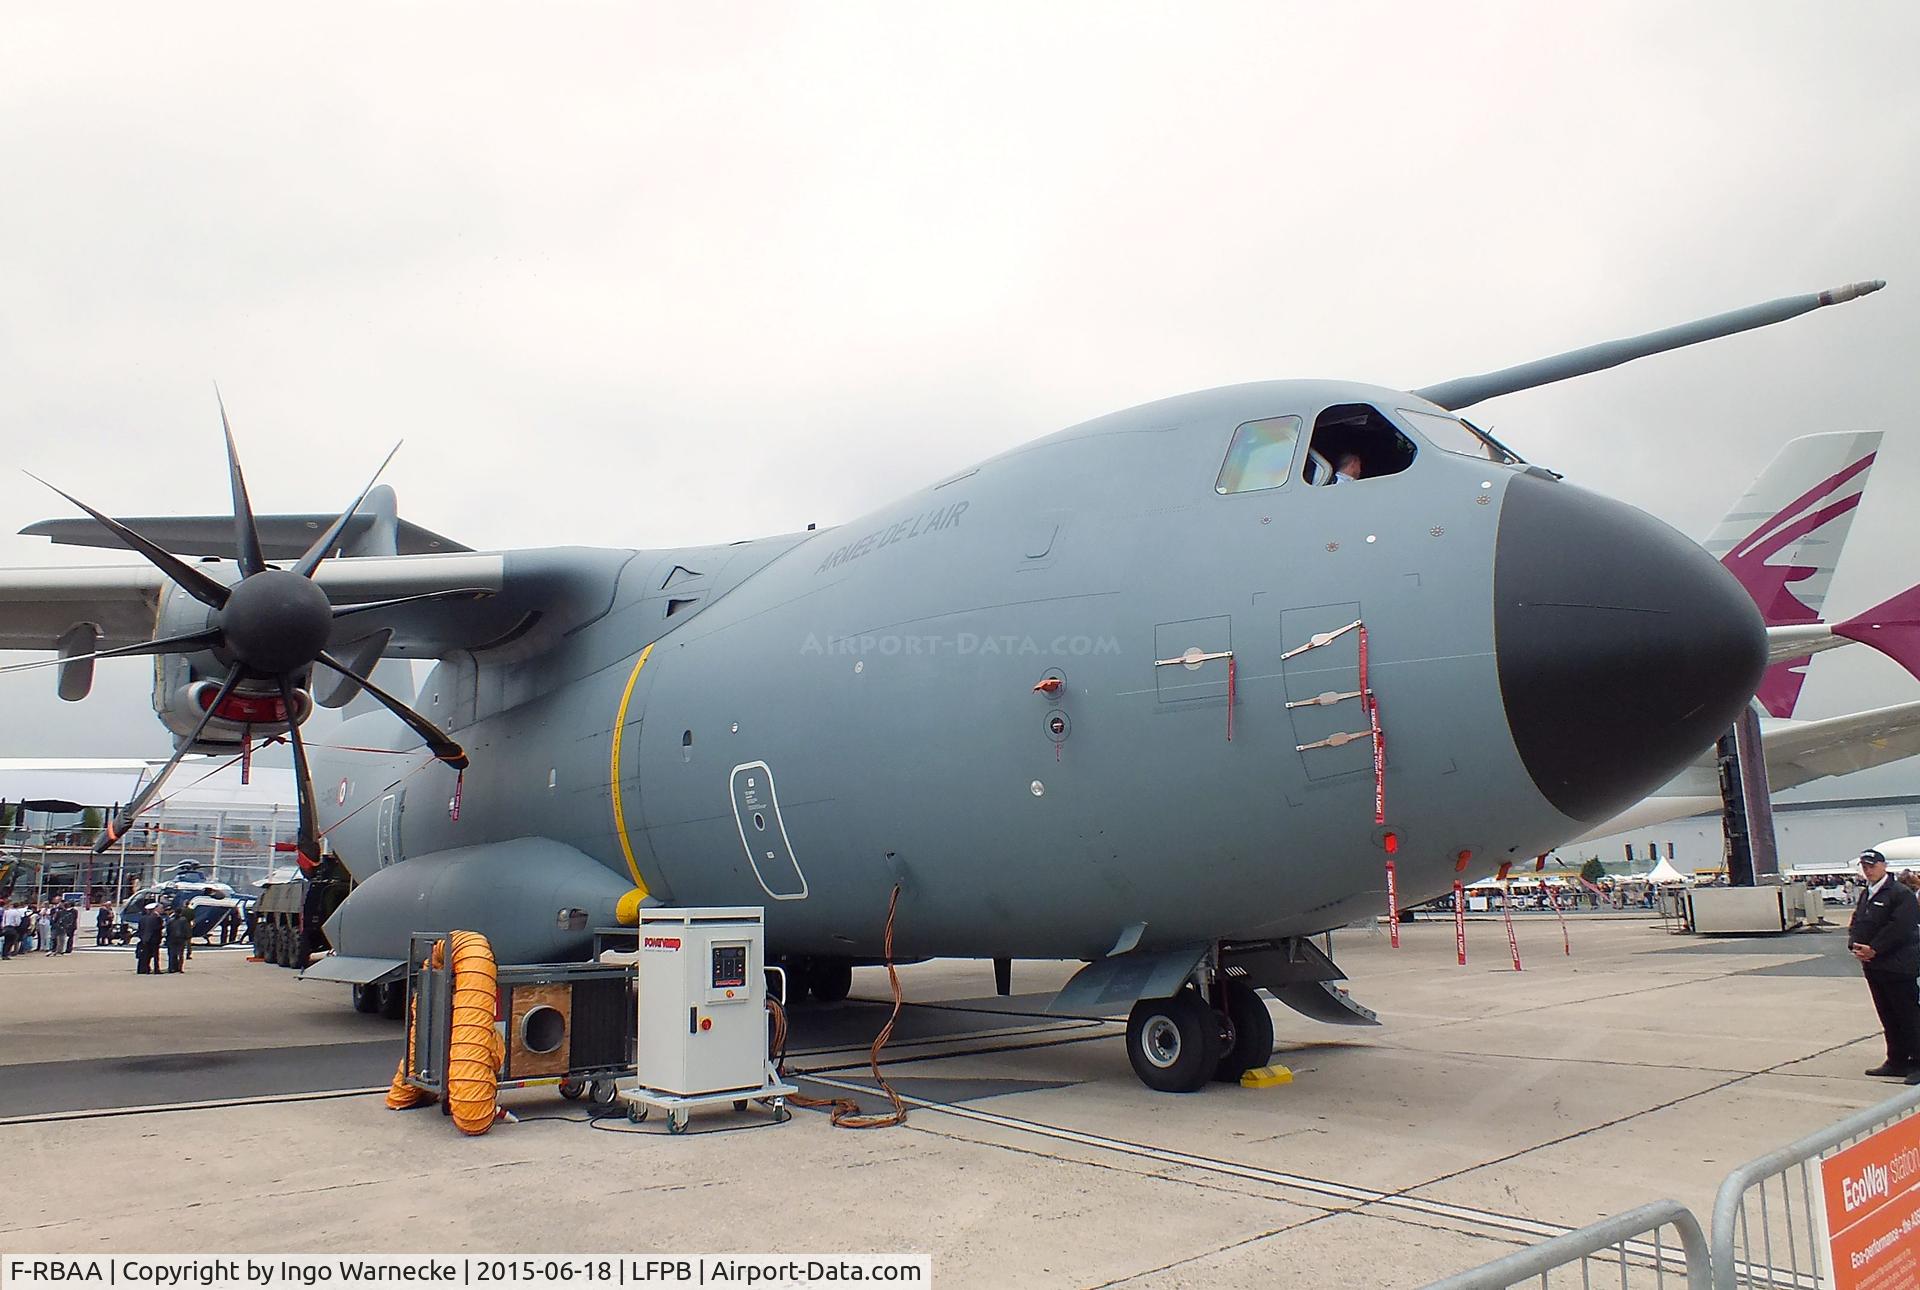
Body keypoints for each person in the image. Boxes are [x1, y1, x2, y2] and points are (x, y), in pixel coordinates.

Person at [1849, 849, 1920, 1080]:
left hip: (1898, 965)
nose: (1868, 870)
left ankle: (1918, 1061)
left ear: (1883, 865)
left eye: (1872, 865)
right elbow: (1858, 921)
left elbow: (1900, 927)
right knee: (1888, 1015)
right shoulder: (1866, 894)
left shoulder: (1900, 893)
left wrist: (1875, 948)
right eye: (1865, 866)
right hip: (1874, 966)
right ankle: (1897, 1060)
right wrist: (1855, 945)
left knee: (1908, 1015)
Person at [135, 902, 163, 975]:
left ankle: (146, 969)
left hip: (145, 939)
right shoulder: (157, 918)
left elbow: (140, 929)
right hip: (154, 939)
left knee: (146, 955)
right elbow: (158, 928)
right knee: (156, 955)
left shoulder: (143, 918)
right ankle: (156, 969)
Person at [164, 901, 193, 973]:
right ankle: (180, 968)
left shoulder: (170, 920)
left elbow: (168, 930)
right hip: (181, 939)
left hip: (172, 938)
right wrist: (188, 937)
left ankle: (171, 968)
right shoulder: (184, 920)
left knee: (171, 954)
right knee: (180, 954)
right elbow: (187, 929)